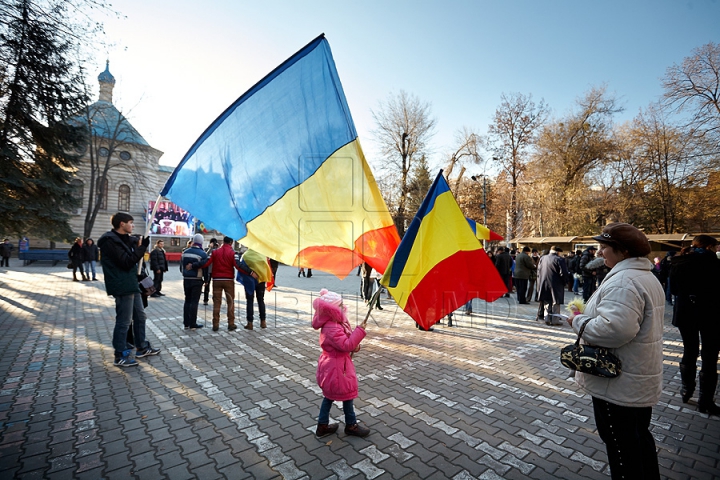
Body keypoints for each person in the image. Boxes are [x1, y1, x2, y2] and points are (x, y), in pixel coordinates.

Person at [566, 222, 663, 479]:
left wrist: (577, 320)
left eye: (605, 247)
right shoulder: (642, 275)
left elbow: (614, 331)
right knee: (638, 441)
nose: (600, 252)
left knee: (622, 449)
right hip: (634, 378)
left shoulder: (624, 281)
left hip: (618, 383)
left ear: (623, 252)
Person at [98, 212, 160, 367]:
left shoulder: (122, 240)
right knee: (124, 321)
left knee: (140, 316)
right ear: (121, 224)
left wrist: (139, 242)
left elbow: (130, 242)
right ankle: (120, 355)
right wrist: (143, 247)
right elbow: (126, 262)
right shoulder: (109, 241)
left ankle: (141, 347)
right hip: (122, 285)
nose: (132, 225)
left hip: (131, 283)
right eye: (130, 223)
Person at [670, 235, 720, 415]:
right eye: (716, 246)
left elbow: (673, 290)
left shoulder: (679, 261)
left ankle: (686, 389)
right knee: (710, 356)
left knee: (689, 350)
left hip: (685, 313)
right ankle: (705, 401)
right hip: (711, 315)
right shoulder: (714, 263)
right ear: (709, 247)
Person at [312, 288, 370, 438]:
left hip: (336, 364)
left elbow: (347, 342)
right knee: (346, 395)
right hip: (337, 367)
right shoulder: (333, 327)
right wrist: (360, 332)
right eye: (340, 305)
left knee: (330, 396)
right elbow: (346, 345)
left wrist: (355, 344)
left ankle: (323, 425)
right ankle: (350, 425)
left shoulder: (336, 323)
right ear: (331, 310)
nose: (343, 307)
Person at [200, 236, 242, 332]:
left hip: (216, 280)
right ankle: (231, 323)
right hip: (228, 280)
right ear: (231, 243)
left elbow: (206, 263)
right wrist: (249, 273)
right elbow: (238, 266)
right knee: (230, 302)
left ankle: (215, 324)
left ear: (223, 242)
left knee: (217, 302)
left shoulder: (214, 252)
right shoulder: (233, 253)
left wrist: (194, 265)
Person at [535, 246, 570, 325]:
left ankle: (547, 318)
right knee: (555, 302)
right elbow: (563, 273)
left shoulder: (543, 258)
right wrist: (565, 282)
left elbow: (539, 271)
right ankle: (555, 320)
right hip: (556, 284)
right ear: (558, 252)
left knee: (547, 300)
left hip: (544, 282)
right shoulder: (560, 259)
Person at [180, 234, 208, 330]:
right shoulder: (203, 254)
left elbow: (181, 267)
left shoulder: (185, 252)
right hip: (197, 280)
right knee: (194, 302)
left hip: (186, 279)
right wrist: (206, 280)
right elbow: (205, 268)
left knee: (187, 300)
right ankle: (193, 323)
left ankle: (186, 323)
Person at [235, 249, 266, 330]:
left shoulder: (246, 255)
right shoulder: (262, 254)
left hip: (249, 281)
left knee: (249, 301)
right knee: (261, 300)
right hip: (261, 281)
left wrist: (251, 273)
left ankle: (250, 323)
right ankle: (263, 322)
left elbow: (241, 266)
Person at [202, 238, 219, 305]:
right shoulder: (206, 249)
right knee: (207, 285)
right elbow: (205, 256)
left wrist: (217, 248)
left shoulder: (218, 250)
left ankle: (215, 299)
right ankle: (205, 299)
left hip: (215, 270)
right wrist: (210, 248)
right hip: (208, 270)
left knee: (216, 286)